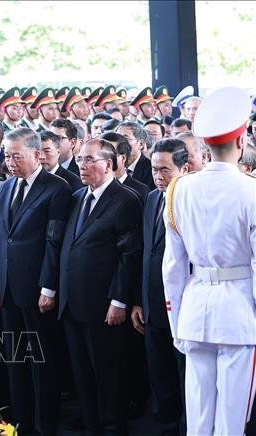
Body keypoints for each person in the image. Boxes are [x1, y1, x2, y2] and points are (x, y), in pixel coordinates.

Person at [162, 87, 255, 435]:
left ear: (205, 148)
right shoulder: (252, 191)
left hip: (195, 309)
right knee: (232, 419)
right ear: (241, 140)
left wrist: (177, 321)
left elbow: (172, 266)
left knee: (198, 416)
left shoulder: (179, 189)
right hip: (240, 313)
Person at [59, 138, 142, 434]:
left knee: (109, 377)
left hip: (104, 305)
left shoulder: (126, 199)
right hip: (73, 303)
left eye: (89, 160)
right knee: (83, 377)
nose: (82, 165)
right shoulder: (78, 196)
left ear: (108, 163)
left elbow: (129, 256)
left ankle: (112, 429)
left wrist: (119, 300)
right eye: (80, 159)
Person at [0, 128, 72, 435]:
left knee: (42, 363)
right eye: (7, 155)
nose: (10, 162)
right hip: (9, 287)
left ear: (37, 155)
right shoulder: (5, 188)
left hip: (38, 290)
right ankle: (21, 424)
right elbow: (4, 239)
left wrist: (48, 287)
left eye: (17, 155)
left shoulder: (56, 188)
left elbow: (54, 243)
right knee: (15, 362)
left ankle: (45, 425)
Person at [131, 138, 188, 435]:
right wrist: (139, 301)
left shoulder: (192, 201)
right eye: (154, 170)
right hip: (153, 305)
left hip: (184, 305)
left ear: (184, 168)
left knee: (185, 376)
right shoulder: (152, 198)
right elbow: (145, 252)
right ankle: (165, 426)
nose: (159, 177)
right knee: (160, 375)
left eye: (165, 170)